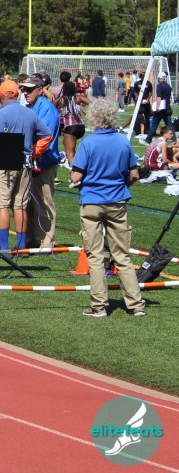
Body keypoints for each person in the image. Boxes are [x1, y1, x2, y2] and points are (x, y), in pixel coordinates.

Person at [70, 99, 145, 318]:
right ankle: (136, 305)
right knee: (122, 256)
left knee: (95, 256)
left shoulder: (88, 143)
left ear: (93, 118)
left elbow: (76, 176)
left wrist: (73, 173)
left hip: (92, 201)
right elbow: (134, 174)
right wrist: (122, 186)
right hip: (117, 201)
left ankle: (99, 306)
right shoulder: (123, 141)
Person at [0, 80, 53, 252]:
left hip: (4, 164)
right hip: (25, 163)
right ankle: (21, 247)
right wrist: (34, 151)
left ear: (2, 95)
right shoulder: (30, 113)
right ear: (16, 95)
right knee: (20, 206)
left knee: (1, 205)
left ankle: (4, 248)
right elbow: (47, 135)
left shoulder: (1, 114)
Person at [21, 74, 61, 249]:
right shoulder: (31, 106)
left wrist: (32, 154)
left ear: (39, 90)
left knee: (44, 202)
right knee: (29, 203)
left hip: (44, 162)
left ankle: (46, 241)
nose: (25, 92)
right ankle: (30, 239)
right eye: (23, 89)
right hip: (31, 161)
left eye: (29, 89)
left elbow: (45, 136)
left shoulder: (46, 108)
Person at [54, 70, 89, 168]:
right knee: (68, 145)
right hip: (81, 126)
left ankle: (74, 172)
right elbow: (92, 104)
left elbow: (52, 105)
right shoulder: (78, 98)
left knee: (70, 154)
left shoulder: (62, 100)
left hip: (70, 127)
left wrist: (60, 97)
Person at [148, 71, 172, 143]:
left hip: (161, 108)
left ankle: (148, 139)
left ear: (160, 78)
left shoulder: (159, 86)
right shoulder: (168, 86)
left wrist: (158, 106)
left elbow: (159, 97)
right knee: (169, 126)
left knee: (154, 125)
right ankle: (174, 139)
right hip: (167, 108)